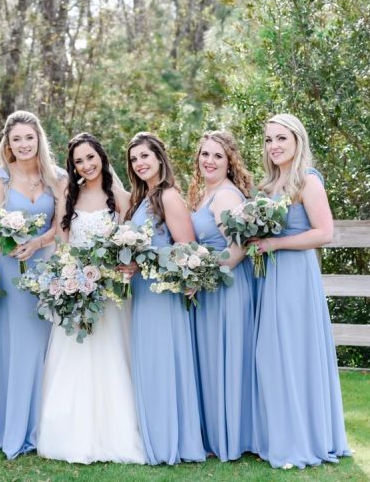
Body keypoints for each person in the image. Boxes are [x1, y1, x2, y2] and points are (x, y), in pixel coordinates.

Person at [249, 114, 351, 468]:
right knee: (271, 356)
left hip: (294, 276)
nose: (274, 146)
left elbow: (324, 233)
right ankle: (278, 433)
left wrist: (275, 245)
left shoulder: (307, 181)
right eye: (268, 140)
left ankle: (302, 440)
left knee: (292, 354)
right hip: (269, 278)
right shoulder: (267, 186)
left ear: (297, 142)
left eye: (281, 139)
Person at [36, 133, 146, 464]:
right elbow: (63, 241)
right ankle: (72, 434)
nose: (86, 165)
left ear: (101, 155)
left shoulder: (122, 197)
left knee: (112, 357)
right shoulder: (69, 193)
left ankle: (116, 434)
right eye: (79, 161)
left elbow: (130, 242)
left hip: (111, 293)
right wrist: (71, 279)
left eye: (91, 157)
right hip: (77, 288)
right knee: (77, 358)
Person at [122, 132, 205, 465]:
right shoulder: (142, 198)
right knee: (149, 363)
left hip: (163, 293)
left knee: (162, 363)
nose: (140, 163)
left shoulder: (168, 196)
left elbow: (186, 249)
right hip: (144, 291)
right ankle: (154, 435)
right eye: (134, 159)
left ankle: (169, 440)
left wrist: (143, 260)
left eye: (145, 156)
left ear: (159, 157)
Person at [0, 110, 66, 459]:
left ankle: (43, 428)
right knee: (19, 347)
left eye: (29, 138)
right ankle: (14, 428)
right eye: (16, 139)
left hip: (45, 267)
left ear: (39, 140)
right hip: (12, 268)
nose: (23, 144)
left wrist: (37, 243)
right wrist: (16, 244)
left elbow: (61, 226)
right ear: (8, 142)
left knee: (46, 347)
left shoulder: (56, 177)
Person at [187, 131, 256, 461]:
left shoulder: (226, 196)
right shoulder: (205, 193)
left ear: (229, 161)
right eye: (204, 154)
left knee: (226, 360)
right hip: (211, 285)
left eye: (217, 155)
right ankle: (216, 435)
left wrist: (204, 274)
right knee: (213, 362)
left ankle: (229, 438)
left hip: (225, 287)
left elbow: (238, 249)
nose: (209, 161)